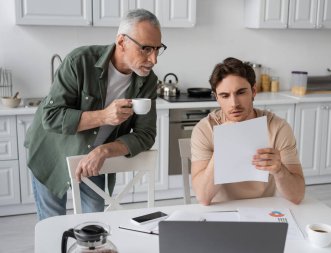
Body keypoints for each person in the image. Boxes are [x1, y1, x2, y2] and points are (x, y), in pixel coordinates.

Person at [24, 9, 166, 220]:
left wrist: (104, 151)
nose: (153, 59)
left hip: (96, 159)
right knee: (53, 225)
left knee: (95, 224)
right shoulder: (79, 61)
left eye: (157, 49)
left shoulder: (148, 81)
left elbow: (145, 134)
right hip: (52, 153)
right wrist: (104, 116)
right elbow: (51, 117)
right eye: (145, 49)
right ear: (121, 42)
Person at [191, 57, 305, 205]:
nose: (234, 103)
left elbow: (297, 196)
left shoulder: (278, 127)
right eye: (225, 96)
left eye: (241, 92)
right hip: (221, 210)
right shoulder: (204, 129)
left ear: (254, 91)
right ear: (216, 97)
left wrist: (279, 170)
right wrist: (221, 149)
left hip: (265, 208)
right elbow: (203, 197)